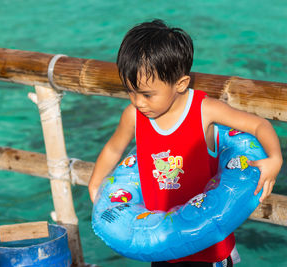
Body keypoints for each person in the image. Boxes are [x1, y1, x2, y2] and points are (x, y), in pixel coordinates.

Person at [88, 19, 283, 267]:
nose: (138, 102)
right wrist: (96, 184)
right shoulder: (133, 116)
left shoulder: (204, 111)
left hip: (209, 247)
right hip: (161, 243)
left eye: (147, 94)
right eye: (130, 91)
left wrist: (275, 159)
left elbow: (259, 125)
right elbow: (113, 148)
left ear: (180, 84)